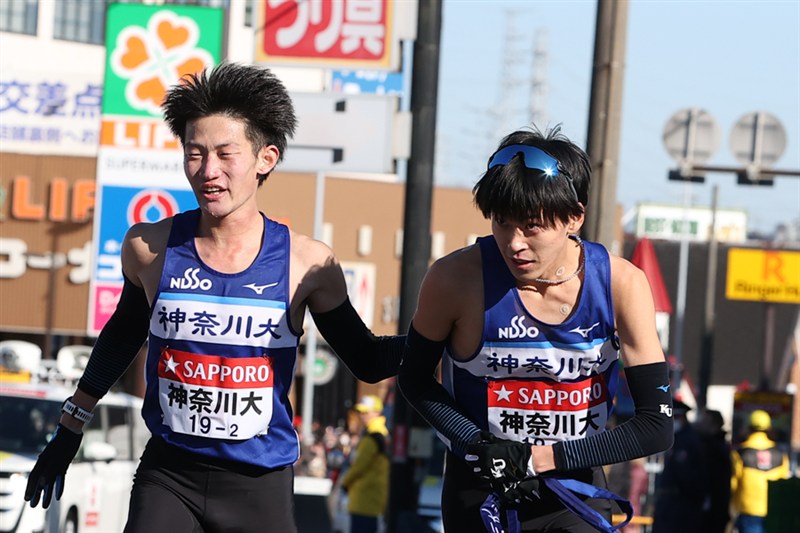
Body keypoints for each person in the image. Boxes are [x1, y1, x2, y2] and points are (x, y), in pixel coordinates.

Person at [24, 62, 404, 532]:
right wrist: (69, 429)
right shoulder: (149, 247)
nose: (209, 171)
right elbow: (120, 338)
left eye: (226, 154)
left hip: (259, 483)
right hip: (169, 473)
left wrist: (445, 337)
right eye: (195, 153)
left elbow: (366, 359)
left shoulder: (306, 263)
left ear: (266, 158)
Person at [397, 126, 674, 532]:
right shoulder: (454, 278)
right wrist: (479, 443)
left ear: (574, 218)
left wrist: (538, 457)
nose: (514, 243)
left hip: (574, 486)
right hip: (480, 488)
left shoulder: (620, 284)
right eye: (502, 222)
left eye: (532, 226)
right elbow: (414, 378)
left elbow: (656, 424)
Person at [651, 400, 708, 533]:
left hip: (679, 505)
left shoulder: (687, 441)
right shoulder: (677, 439)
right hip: (670, 503)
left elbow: (686, 476)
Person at [730, 409, 790, 533]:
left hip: (748, 510)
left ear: (749, 427)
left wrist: (732, 508)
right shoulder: (780, 454)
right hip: (773, 510)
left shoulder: (740, 453)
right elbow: (784, 483)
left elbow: (733, 483)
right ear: (769, 427)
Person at [340, 395, 390, 533]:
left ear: (377, 412)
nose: (362, 416)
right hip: (370, 497)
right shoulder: (379, 433)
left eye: (366, 412)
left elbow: (359, 466)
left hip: (365, 498)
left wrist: (345, 483)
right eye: (361, 412)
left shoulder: (373, 436)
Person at [695, 409, 732, 533]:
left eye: (704, 420)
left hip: (712, 509)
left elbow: (717, 482)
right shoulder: (707, 445)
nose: (700, 423)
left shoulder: (715, 448)